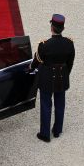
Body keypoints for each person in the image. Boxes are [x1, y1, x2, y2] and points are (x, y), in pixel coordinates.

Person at [30, 14, 75, 142]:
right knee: (60, 104)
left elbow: (36, 62)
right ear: (63, 28)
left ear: (51, 27)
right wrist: (65, 75)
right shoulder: (69, 43)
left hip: (46, 79)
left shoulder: (44, 45)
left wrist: (31, 69)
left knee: (45, 105)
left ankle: (45, 134)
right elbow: (70, 63)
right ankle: (57, 131)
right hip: (62, 78)